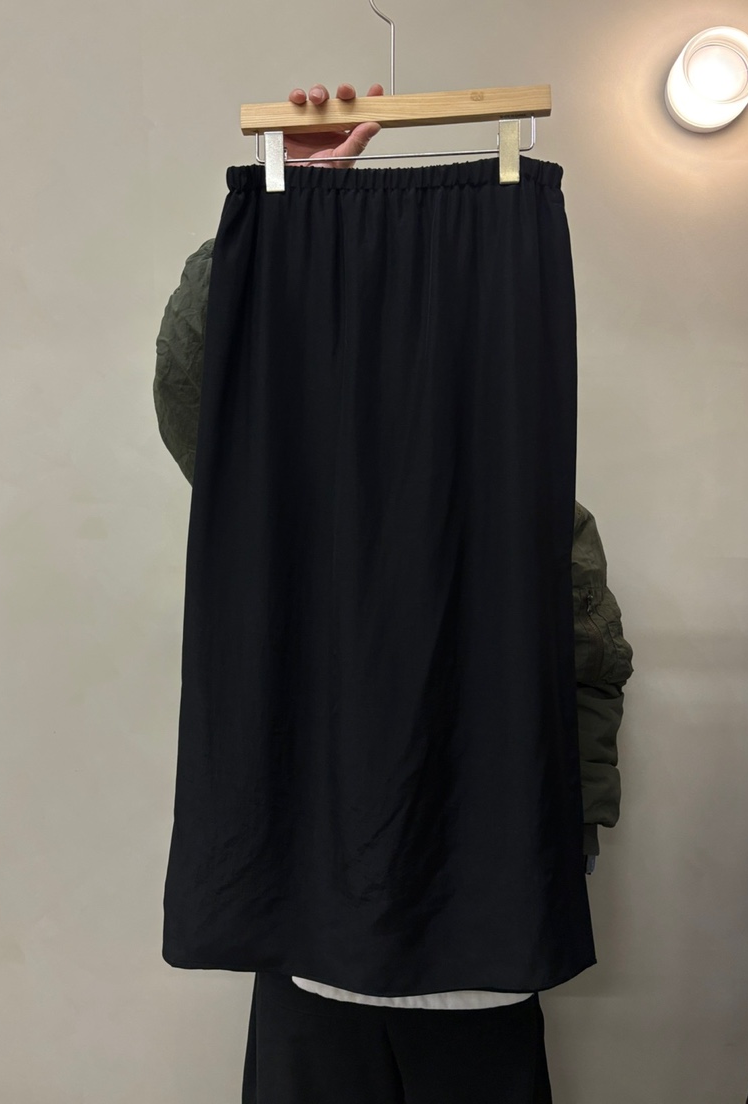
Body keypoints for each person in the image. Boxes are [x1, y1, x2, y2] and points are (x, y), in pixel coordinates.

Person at [153, 81, 634, 1104]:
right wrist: (288, 219)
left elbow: (593, 682)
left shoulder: (538, 521)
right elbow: (202, 389)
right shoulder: (296, 501)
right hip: (310, 951)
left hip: (485, 960)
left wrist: (563, 846)